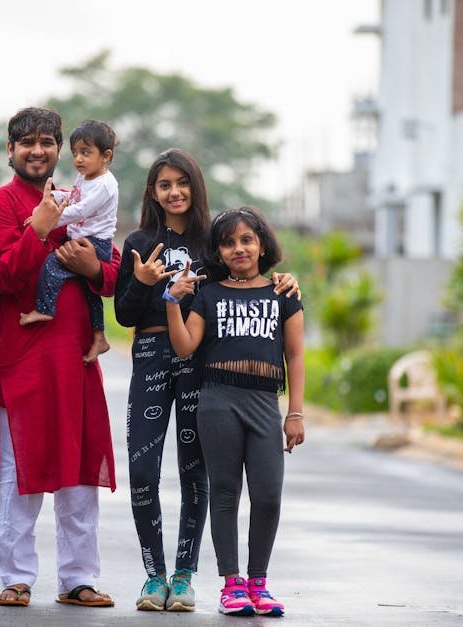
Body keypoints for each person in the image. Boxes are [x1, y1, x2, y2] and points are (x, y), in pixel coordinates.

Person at [114, 149, 300, 612]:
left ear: (195, 186)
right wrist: (140, 281)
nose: (174, 192)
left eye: (182, 182)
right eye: (164, 184)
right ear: (153, 193)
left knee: (197, 474)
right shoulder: (140, 239)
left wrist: (285, 281)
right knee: (142, 470)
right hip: (151, 354)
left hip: (200, 366)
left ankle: (184, 576)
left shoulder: (213, 242)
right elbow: (123, 314)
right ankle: (152, 576)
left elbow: (245, 279)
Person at [0, 107, 119, 608]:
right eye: (26, 142)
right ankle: (15, 577)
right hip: (22, 365)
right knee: (20, 476)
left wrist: (93, 265)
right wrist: (36, 230)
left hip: (77, 364)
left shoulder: (79, 196)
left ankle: (78, 579)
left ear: (60, 149)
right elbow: (0, 281)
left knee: (79, 476)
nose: (38, 150)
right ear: (9, 151)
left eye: (47, 142)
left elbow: (115, 276)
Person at [164, 206, 305, 617]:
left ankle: (259, 582)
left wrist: (295, 412)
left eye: (247, 240)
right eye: (228, 243)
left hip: (264, 404)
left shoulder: (283, 293)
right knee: (225, 495)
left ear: (262, 245)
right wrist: (172, 302)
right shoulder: (209, 294)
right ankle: (232, 585)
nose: (238, 248)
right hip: (217, 401)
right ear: (219, 251)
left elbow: (294, 355)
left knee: (268, 496)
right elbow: (186, 346)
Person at [19, 119, 119, 364]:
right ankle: (99, 337)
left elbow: (81, 210)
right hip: (85, 239)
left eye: (86, 153)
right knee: (89, 293)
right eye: (75, 153)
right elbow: (74, 197)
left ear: (105, 155)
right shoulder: (85, 177)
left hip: (96, 243)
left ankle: (44, 309)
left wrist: (48, 219)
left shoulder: (105, 185)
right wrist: (55, 194)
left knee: (53, 266)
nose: (79, 159)